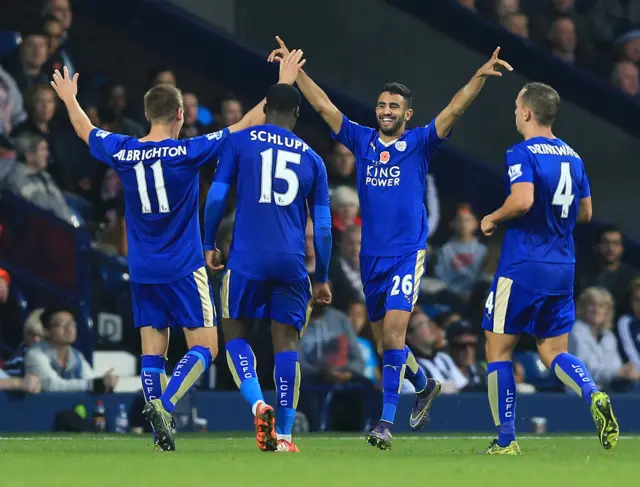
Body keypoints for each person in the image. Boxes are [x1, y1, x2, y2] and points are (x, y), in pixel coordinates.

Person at [50, 51, 304, 451]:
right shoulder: (188, 151)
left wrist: (68, 97)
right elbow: (244, 125)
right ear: (181, 114)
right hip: (184, 266)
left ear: (148, 114)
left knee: (154, 351)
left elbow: (86, 131)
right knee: (206, 346)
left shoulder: (125, 150)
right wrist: (284, 81)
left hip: (143, 268)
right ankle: (164, 407)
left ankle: (158, 436)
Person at [268, 36, 512, 450]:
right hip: (371, 257)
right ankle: (423, 384)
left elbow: (454, 109)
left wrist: (477, 78)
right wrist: (297, 75)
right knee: (385, 341)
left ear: (407, 114)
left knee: (396, 332)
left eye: (393, 107)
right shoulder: (362, 140)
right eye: (382, 105)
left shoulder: (419, 143)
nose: (385, 111)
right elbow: (326, 108)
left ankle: (384, 423)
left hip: (407, 254)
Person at [479, 82, 618, 455]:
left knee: (498, 348)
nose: (514, 113)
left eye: (515, 107)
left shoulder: (520, 152)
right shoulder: (573, 157)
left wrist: (494, 216)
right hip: (563, 265)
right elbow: (586, 213)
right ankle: (592, 392)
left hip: (523, 263)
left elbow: (522, 200)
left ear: (527, 112)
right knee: (553, 350)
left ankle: (506, 440)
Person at [203, 54, 331, 453]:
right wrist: (322, 276)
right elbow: (323, 228)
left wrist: (210, 243)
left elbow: (217, 197)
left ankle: (259, 403)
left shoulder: (241, 141)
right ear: (295, 113)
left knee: (235, 333)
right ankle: (286, 435)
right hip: (291, 261)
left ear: (264, 108)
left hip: (246, 258)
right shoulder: (313, 159)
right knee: (287, 345)